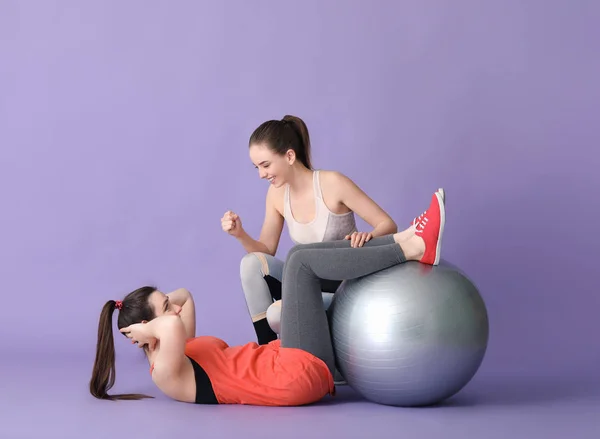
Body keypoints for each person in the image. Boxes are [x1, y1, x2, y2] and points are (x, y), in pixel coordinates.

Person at [90, 190, 446, 406]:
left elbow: (186, 297)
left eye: (168, 304)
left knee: (296, 263)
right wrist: (151, 325)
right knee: (299, 262)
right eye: (167, 309)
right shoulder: (166, 371)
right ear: (149, 329)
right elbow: (169, 324)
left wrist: (160, 310)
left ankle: (406, 241)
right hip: (291, 375)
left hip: (286, 358)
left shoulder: (178, 347)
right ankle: (410, 246)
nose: (176, 308)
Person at [221, 114, 445, 345]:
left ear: (289, 156)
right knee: (252, 263)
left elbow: (386, 224)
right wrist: (240, 234)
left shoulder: (333, 184)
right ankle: (267, 354)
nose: (261, 174)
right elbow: (265, 251)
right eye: (257, 167)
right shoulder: (276, 195)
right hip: (306, 285)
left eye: (265, 165)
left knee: (288, 285)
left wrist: (369, 236)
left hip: (343, 287)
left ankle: (413, 241)